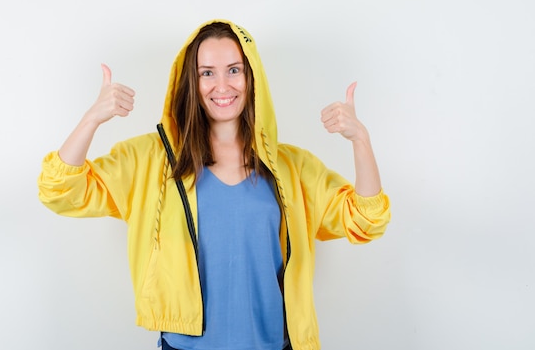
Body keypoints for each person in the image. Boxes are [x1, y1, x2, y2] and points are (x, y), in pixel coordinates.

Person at [37, 19, 391, 350]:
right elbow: (59, 190)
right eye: (207, 73)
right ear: (192, 81)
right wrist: (92, 118)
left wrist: (360, 139)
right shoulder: (150, 160)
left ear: (252, 78)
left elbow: (365, 219)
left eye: (234, 70)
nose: (222, 86)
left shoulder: (293, 168)